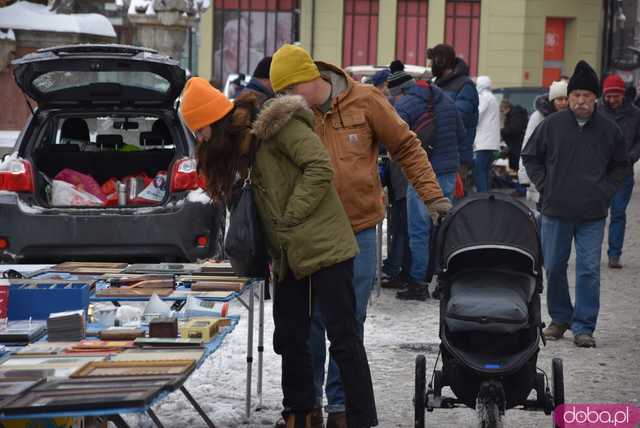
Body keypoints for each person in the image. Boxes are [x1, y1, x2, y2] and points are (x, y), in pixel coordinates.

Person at [179, 77, 377, 428]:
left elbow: (319, 167)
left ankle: (361, 420)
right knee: (291, 337)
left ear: (212, 118)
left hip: (325, 244)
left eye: (199, 129)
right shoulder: (237, 148)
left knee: (343, 337)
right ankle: (298, 414)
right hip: (288, 255)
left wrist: (290, 215)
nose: (199, 138)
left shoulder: (276, 128)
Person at [269, 44, 450, 428]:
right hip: (311, 234)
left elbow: (406, 147)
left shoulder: (365, 101)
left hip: (358, 229)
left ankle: (341, 406)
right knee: (312, 321)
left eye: (287, 91)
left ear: (306, 78)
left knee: (349, 322)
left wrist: (433, 196)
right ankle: (309, 406)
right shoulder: (291, 116)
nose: (284, 100)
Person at [522, 60, 629, 348]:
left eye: (586, 96)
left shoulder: (608, 130)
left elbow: (622, 166)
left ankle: (584, 326)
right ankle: (559, 319)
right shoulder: (552, 126)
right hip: (556, 210)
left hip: (592, 213)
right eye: (575, 96)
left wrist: (604, 191)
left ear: (596, 98)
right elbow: (530, 156)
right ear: (567, 98)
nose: (580, 101)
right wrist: (546, 186)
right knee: (554, 266)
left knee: (588, 270)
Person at [385, 61, 465, 300]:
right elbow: (462, 134)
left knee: (419, 230)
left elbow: (391, 134)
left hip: (422, 174)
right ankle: (444, 281)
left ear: (399, 92)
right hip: (449, 172)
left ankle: (418, 282)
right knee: (443, 228)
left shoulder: (407, 104)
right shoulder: (447, 100)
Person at [598, 74, 640, 269]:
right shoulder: (597, 111)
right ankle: (592, 251)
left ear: (623, 95)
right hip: (600, 171)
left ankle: (614, 254)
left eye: (616, 96)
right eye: (609, 96)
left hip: (623, 172)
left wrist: (630, 156)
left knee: (618, 214)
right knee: (596, 213)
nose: (612, 100)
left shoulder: (635, 114)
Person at [427, 44, 478, 192]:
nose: (430, 65)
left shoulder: (465, 85)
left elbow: (457, 119)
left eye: (432, 61)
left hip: (456, 158)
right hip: (437, 155)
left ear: (441, 61)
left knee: (454, 208)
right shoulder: (436, 84)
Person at [518, 80, 568, 204]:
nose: (563, 102)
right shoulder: (538, 117)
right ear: (552, 100)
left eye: (566, 98)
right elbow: (527, 146)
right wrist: (524, 176)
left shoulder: (571, 117)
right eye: (559, 99)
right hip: (541, 175)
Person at [473, 76, 500, 192]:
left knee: (479, 171)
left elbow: (477, 115)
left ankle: (482, 196)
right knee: (486, 170)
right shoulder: (493, 98)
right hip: (491, 142)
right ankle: (487, 195)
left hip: (483, 142)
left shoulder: (483, 97)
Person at [500, 99, 528, 172]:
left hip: (517, 146)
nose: (502, 113)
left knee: (517, 168)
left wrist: (502, 131)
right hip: (515, 146)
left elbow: (514, 129)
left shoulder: (515, 114)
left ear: (506, 108)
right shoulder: (513, 114)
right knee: (516, 168)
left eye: (502, 111)